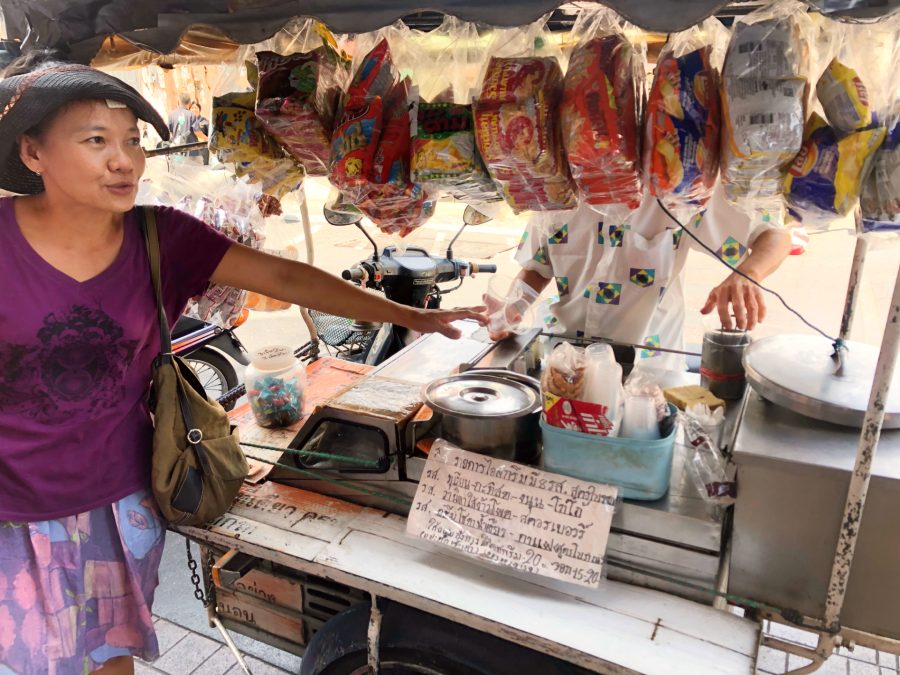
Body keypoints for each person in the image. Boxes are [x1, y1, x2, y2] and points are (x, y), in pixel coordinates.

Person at [0, 58, 485, 675]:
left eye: (131, 142)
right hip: (11, 504)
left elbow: (282, 276)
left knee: (108, 660)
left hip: (119, 498)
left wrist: (407, 316)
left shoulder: (161, 237)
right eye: (96, 141)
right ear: (32, 153)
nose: (123, 160)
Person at [492, 186, 791, 370]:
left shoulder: (678, 190)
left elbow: (774, 235)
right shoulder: (558, 191)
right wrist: (511, 309)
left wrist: (746, 274)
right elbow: (538, 267)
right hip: (565, 363)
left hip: (648, 374)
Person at [188, 100, 209, 165]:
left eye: (196, 107)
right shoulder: (188, 121)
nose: (194, 109)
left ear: (199, 109)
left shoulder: (204, 121)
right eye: (192, 108)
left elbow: (209, 135)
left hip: (202, 152)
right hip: (191, 151)